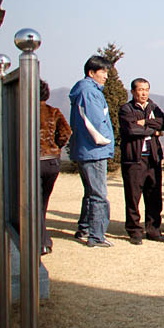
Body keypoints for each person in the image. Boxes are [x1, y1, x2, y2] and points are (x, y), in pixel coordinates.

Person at [70, 55, 116, 248]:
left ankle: (85, 228)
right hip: (94, 150)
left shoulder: (85, 90)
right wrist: (105, 141)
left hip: (86, 149)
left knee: (90, 192)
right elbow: (94, 122)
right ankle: (96, 235)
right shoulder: (89, 92)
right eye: (103, 72)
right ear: (91, 73)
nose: (106, 76)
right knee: (98, 194)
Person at [119, 78, 164, 245]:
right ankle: (134, 230)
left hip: (153, 158)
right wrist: (152, 132)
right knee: (133, 196)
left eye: (146, 89)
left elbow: (163, 123)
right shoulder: (126, 109)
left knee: (154, 195)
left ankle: (153, 230)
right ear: (133, 91)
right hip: (134, 159)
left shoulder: (152, 107)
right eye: (140, 90)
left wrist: (146, 123)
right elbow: (131, 129)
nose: (143, 93)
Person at [38, 80, 71, 255]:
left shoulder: (23, 111)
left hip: (33, 161)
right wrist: (56, 146)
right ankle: (44, 241)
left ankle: (40, 241)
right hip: (51, 161)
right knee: (43, 202)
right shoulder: (53, 111)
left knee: (32, 203)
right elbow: (66, 132)